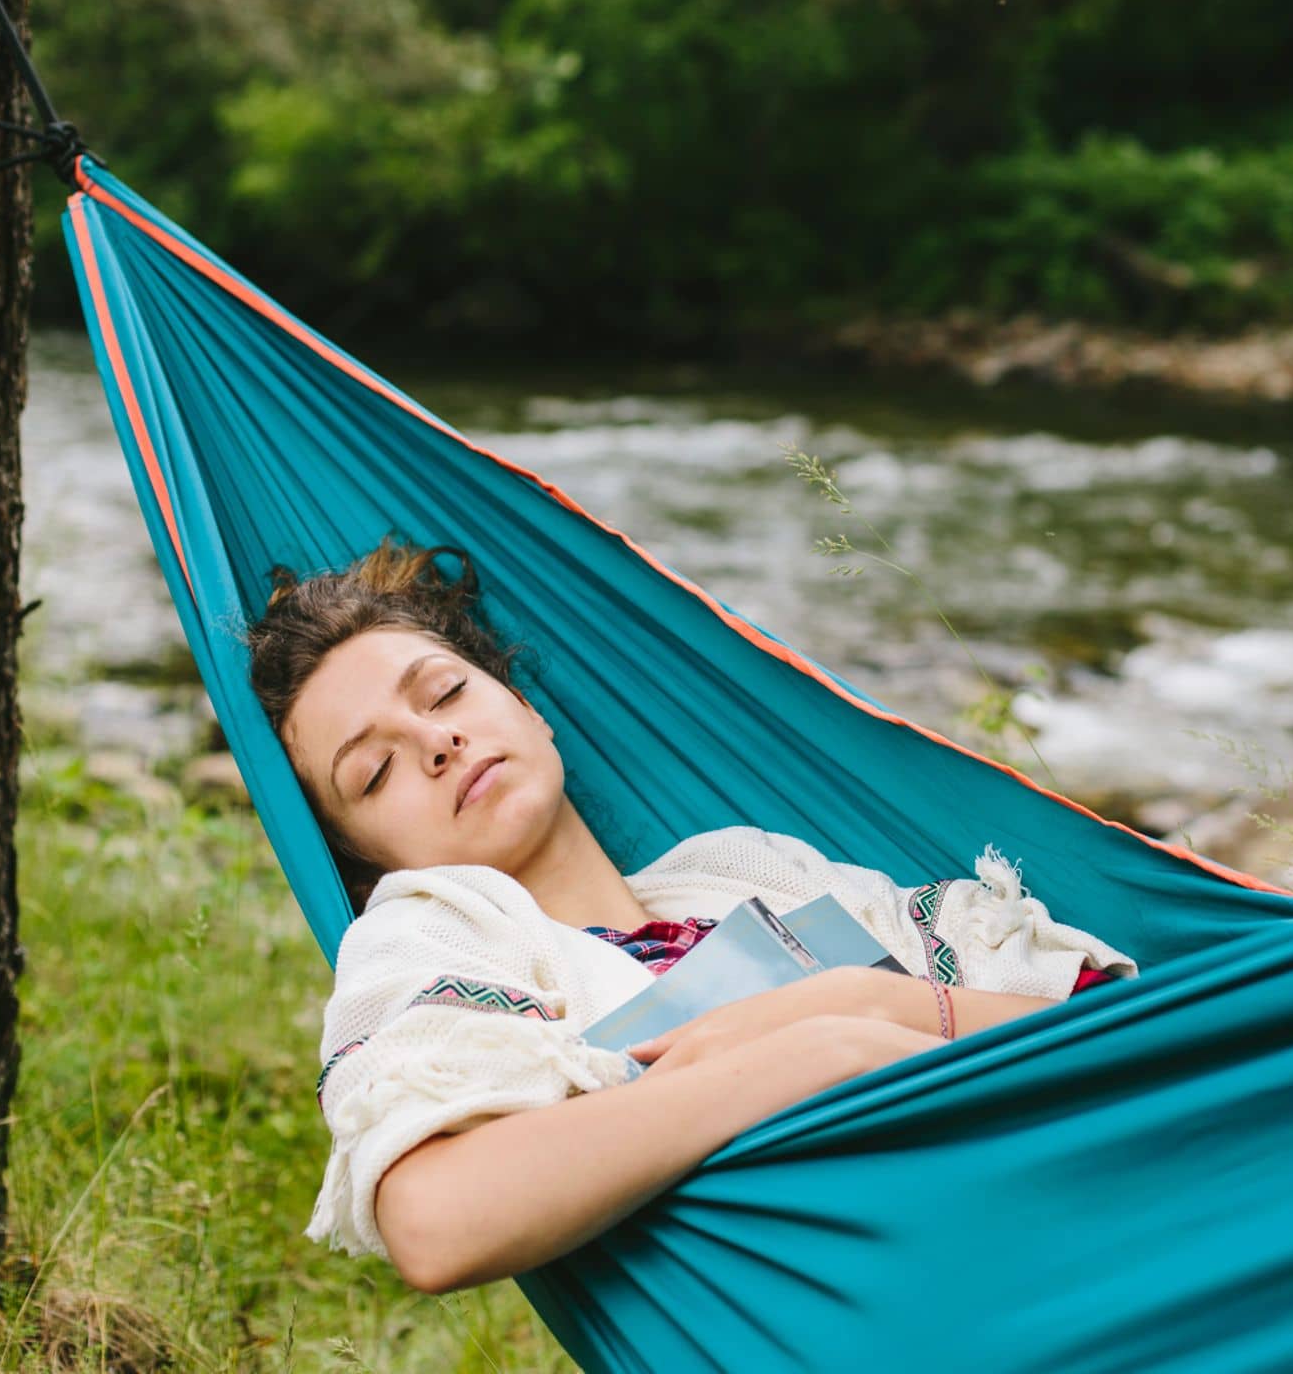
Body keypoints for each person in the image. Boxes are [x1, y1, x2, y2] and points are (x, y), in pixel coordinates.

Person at [247, 539, 1138, 1296]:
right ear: (367, 864)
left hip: (1073, 1218)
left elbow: (1116, 1041)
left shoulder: (746, 866)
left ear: (527, 711)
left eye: (444, 695)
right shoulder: (438, 937)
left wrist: (884, 1013)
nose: (436, 742)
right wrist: (809, 1055)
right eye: (375, 772)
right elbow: (435, 1223)